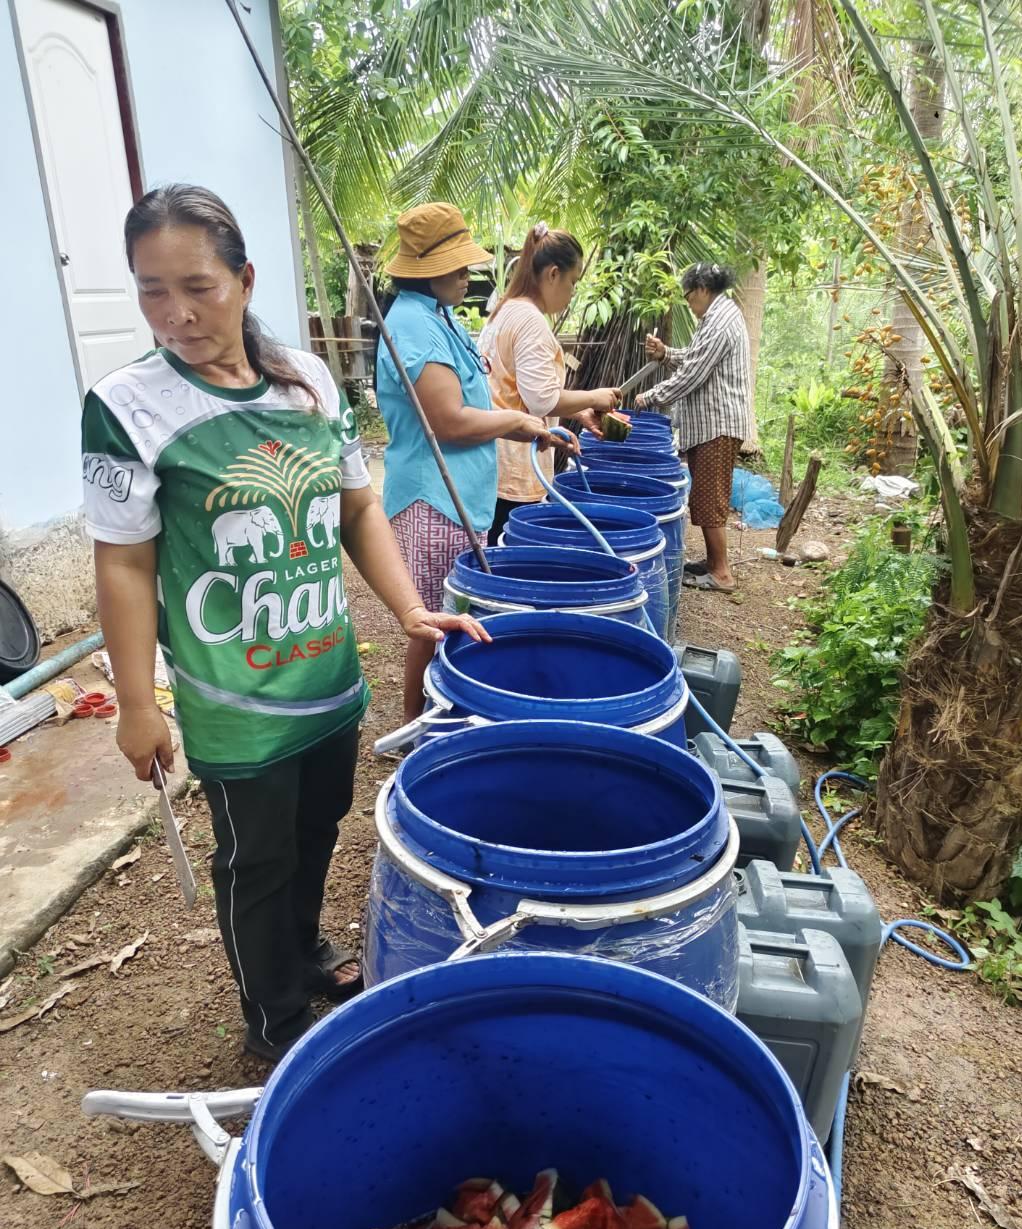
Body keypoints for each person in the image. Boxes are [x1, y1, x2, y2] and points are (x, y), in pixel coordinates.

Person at [83, 184, 488, 1064]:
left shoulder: (305, 384)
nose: (176, 313)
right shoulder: (129, 406)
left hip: (325, 679)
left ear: (245, 278)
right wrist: (135, 702)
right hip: (236, 698)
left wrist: (409, 607)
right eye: (152, 289)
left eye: (198, 285)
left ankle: (303, 954)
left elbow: (358, 510)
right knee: (254, 859)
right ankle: (272, 1015)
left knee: (317, 828)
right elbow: (124, 562)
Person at [377, 203, 572, 721]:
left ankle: (441, 713)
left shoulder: (437, 316)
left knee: (457, 613)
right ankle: (416, 728)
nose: (469, 277)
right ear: (429, 271)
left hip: (461, 496)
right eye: (459, 268)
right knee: (436, 620)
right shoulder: (413, 325)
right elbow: (449, 420)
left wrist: (519, 420)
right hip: (432, 499)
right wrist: (517, 422)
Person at [478, 225, 620, 545]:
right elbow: (542, 400)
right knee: (512, 564)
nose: (572, 292)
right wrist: (595, 398)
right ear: (553, 274)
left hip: (493, 462)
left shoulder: (506, 309)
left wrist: (580, 411)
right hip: (515, 466)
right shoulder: (530, 321)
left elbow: (520, 391)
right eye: (573, 282)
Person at [637, 263, 754, 593]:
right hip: (711, 425)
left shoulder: (721, 320)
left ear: (703, 288)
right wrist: (665, 355)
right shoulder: (718, 316)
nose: (688, 303)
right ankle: (713, 563)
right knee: (705, 496)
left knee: (710, 499)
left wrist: (649, 397)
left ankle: (722, 574)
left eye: (688, 296)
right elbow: (694, 356)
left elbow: (692, 374)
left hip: (717, 424)